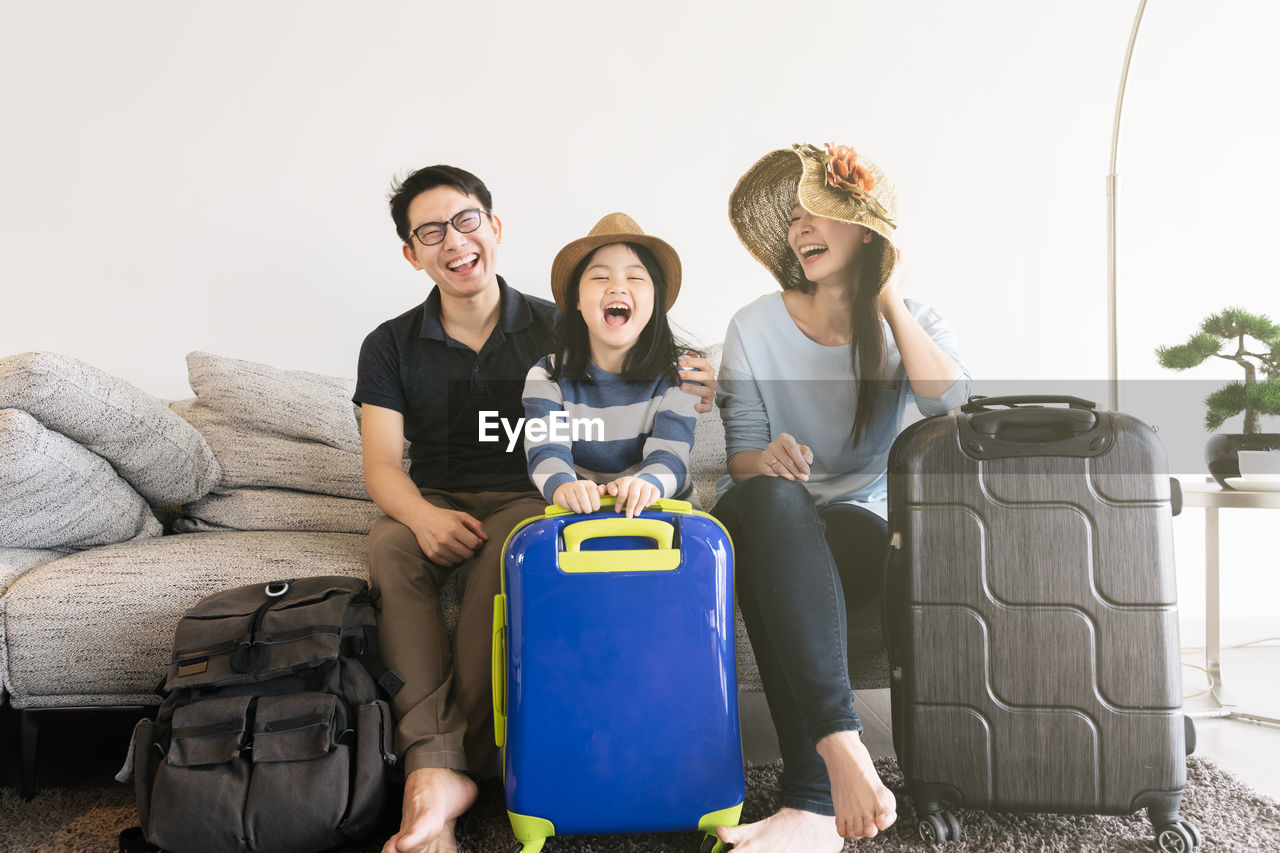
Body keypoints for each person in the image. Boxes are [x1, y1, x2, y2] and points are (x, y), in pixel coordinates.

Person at [352, 166, 716, 853]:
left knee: (516, 548)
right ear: (412, 253)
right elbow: (380, 465)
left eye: (465, 221)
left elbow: (650, 336)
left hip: (534, 491)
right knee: (389, 550)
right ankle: (434, 768)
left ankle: (467, 764)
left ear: (493, 227)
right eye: (431, 233)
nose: (454, 242)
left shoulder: (558, 322)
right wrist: (424, 518)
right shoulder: (389, 344)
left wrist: (708, 374)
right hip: (434, 497)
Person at [712, 142, 972, 851]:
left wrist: (886, 298)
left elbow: (950, 404)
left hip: (856, 529)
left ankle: (810, 805)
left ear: (865, 228)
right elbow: (740, 453)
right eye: (792, 219)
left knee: (803, 553)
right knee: (773, 504)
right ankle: (842, 751)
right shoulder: (754, 324)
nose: (800, 228)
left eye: (817, 213)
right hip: (764, 516)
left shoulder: (908, 322)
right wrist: (764, 457)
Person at [523, 213, 698, 518]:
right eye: (601, 277)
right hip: (577, 517)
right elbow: (545, 450)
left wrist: (646, 484)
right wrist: (564, 486)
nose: (617, 287)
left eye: (635, 277)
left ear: (654, 298)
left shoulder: (681, 376)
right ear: (578, 299)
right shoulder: (546, 376)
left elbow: (671, 454)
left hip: (664, 515)